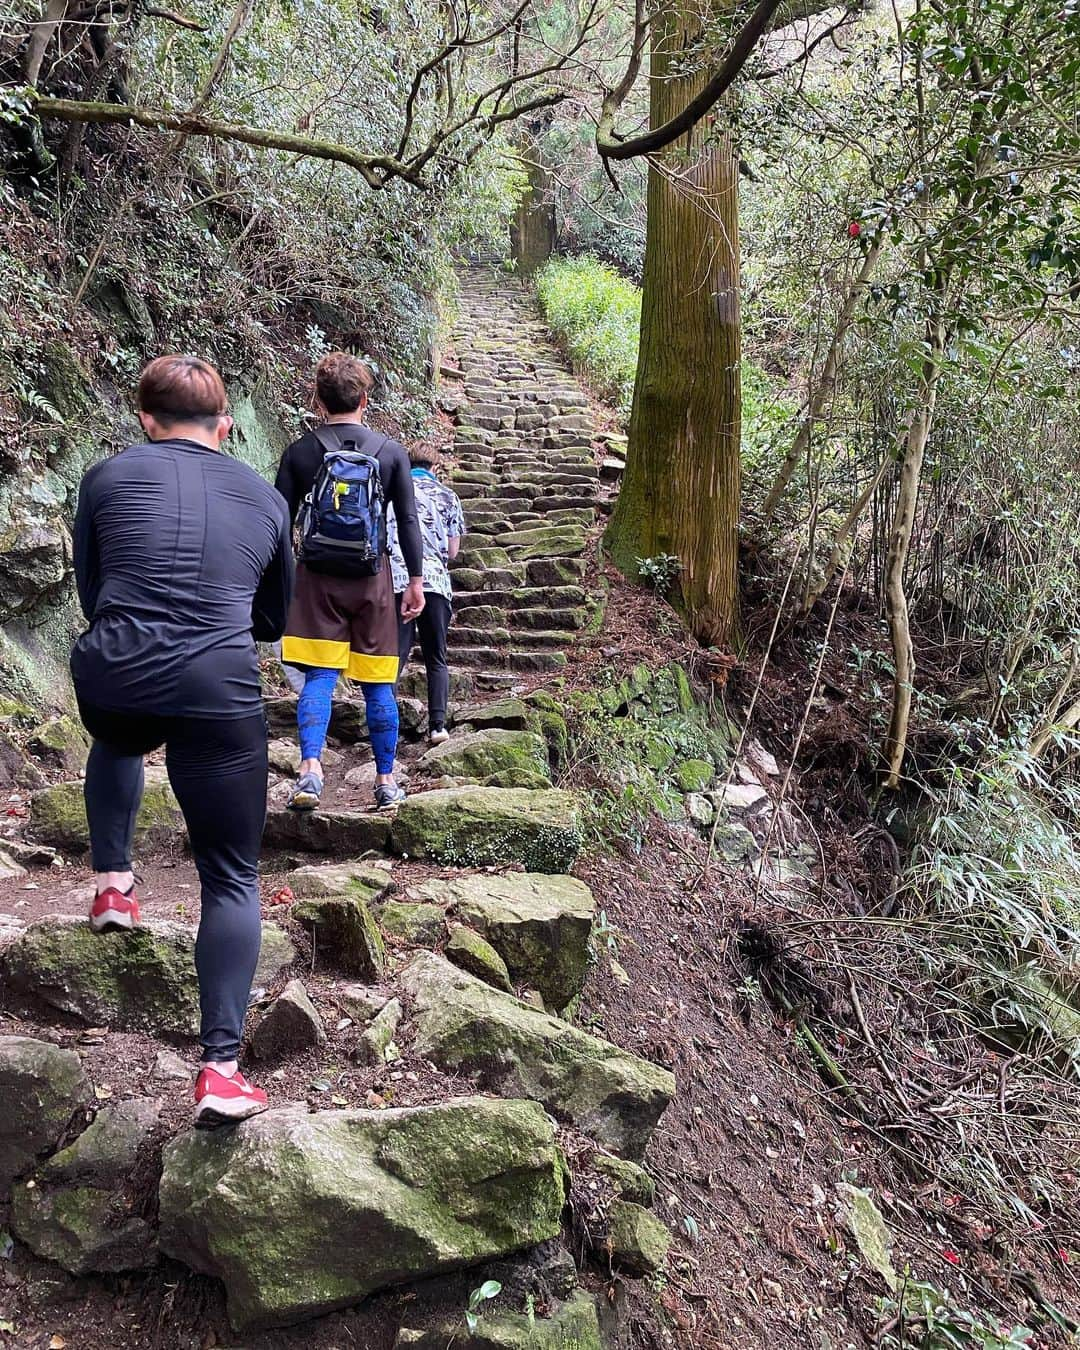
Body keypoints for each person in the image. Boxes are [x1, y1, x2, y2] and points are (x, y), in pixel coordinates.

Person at [71, 354, 294, 1128]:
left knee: (121, 733)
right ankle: (221, 1071)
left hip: (115, 675)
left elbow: (93, 589)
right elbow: (272, 619)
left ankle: (112, 882)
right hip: (216, 684)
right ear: (226, 427)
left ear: (144, 418)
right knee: (231, 876)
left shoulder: (105, 477)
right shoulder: (265, 498)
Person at [274, 352, 424, 811]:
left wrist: (281, 579)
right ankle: (384, 780)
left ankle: (310, 771)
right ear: (364, 398)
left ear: (318, 401)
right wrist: (415, 580)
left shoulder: (300, 451)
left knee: (319, 677)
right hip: (372, 580)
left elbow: (278, 521)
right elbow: (408, 521)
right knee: (379, 683)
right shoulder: (391, 452)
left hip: (316, 579)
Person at [388, 447, 466, 744]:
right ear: (435, 466)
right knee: (436, 657)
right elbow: (454, 550)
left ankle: (386, 724)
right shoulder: (448, 496)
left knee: (395, 655)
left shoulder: (392, 492)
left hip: (397, 580)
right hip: (434, 581)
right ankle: (437, 725)